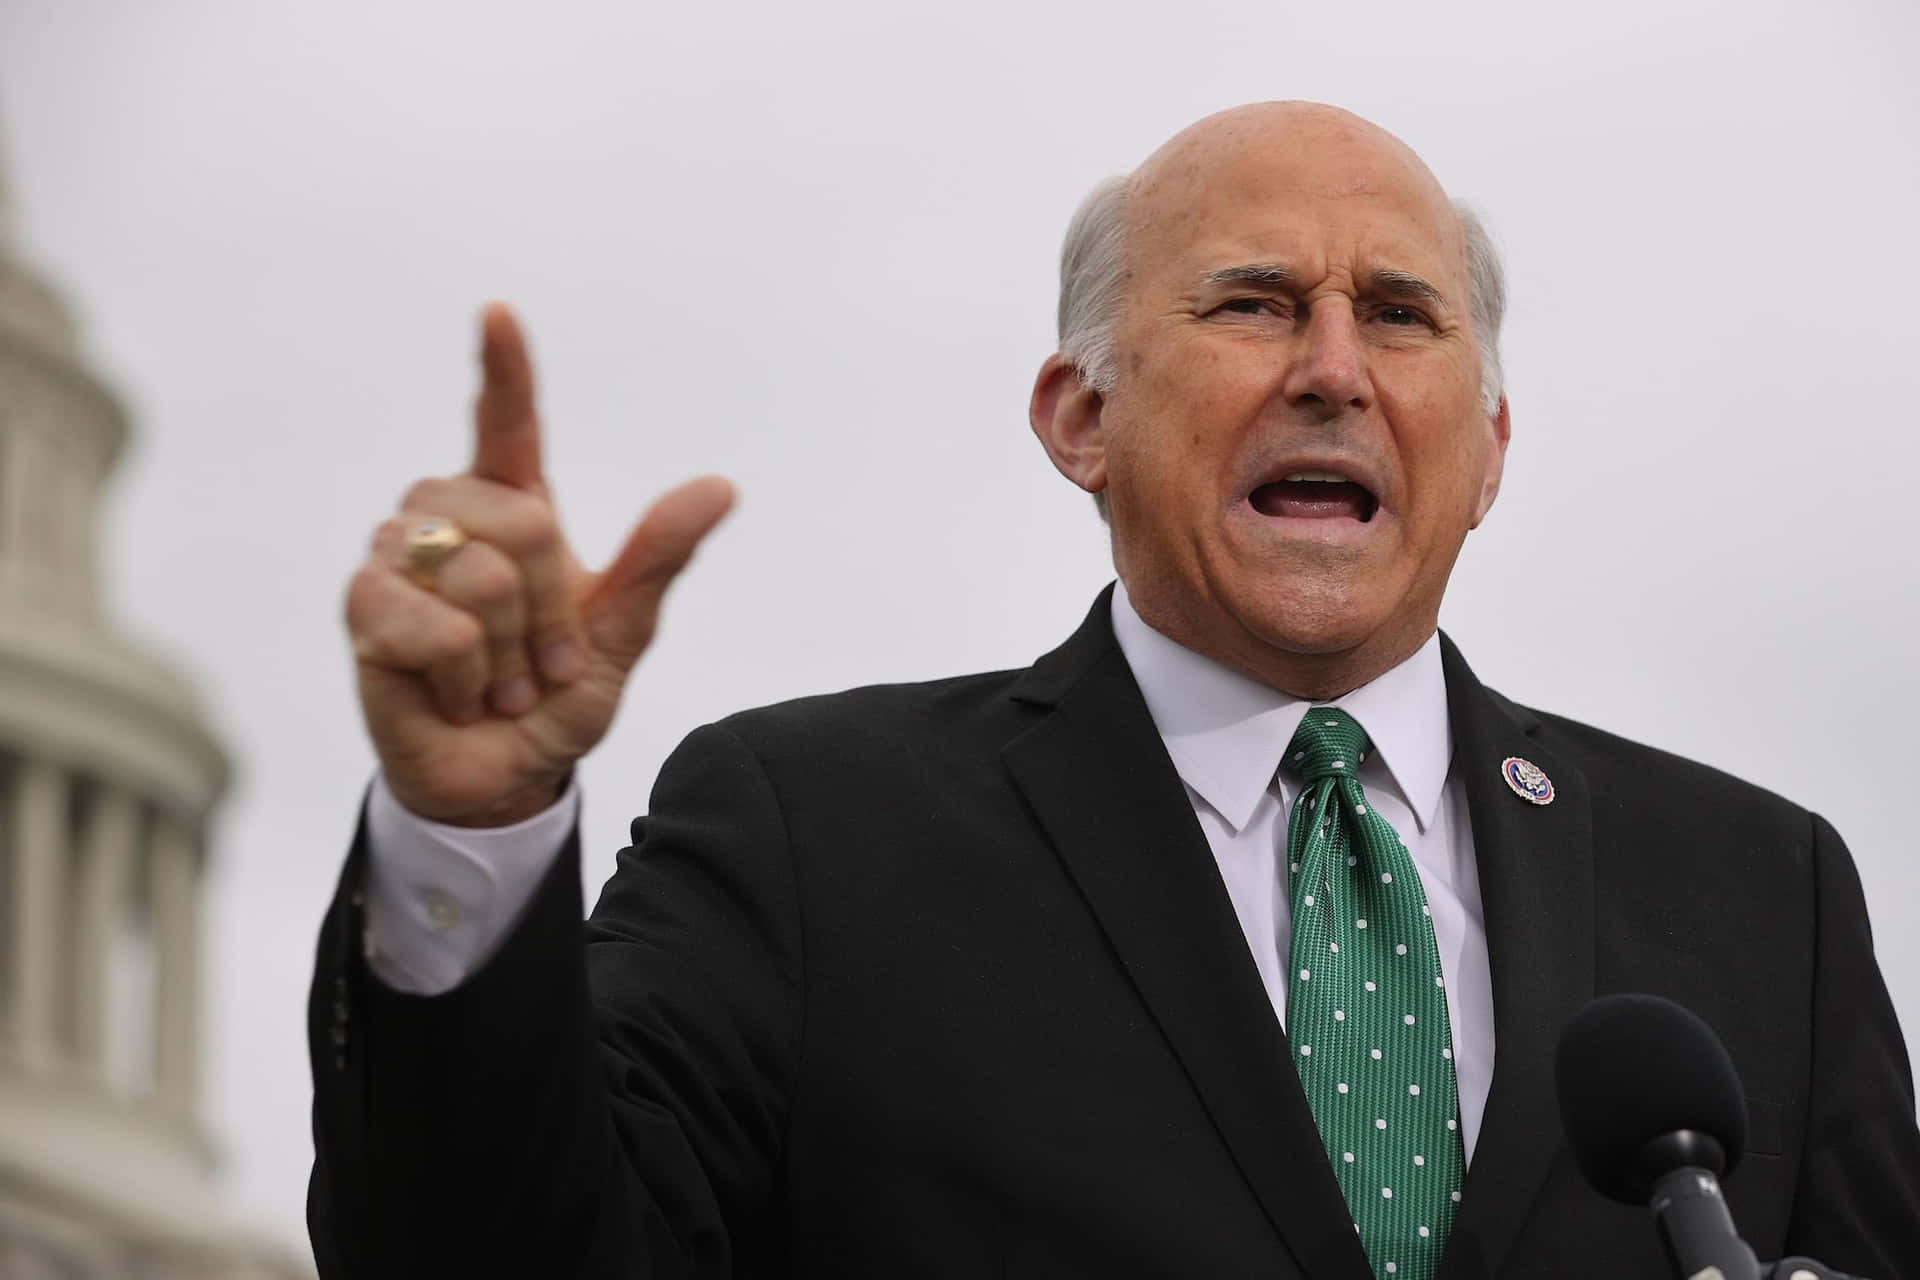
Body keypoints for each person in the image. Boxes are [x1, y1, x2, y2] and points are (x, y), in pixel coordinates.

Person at [308, 102, 1920, 1278]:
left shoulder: (1759, 894)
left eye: (1403, 317)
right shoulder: (813, 837)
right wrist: (473, 837)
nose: (1336, 369)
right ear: (1079, 415)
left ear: (1489, 452)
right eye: (1255, 303)